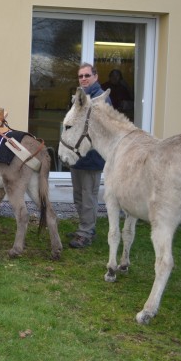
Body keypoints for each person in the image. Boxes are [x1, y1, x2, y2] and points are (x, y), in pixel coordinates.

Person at [68, 63, 111, 249]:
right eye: (80, 76)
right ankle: (84, 227)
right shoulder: (81, 97)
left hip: (91, 158)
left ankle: (86, 232)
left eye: (87, 75)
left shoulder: (101, 99)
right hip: (77, 157)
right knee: (78, 195)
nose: (83, 79)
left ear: (95, 76)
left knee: (88, 196)